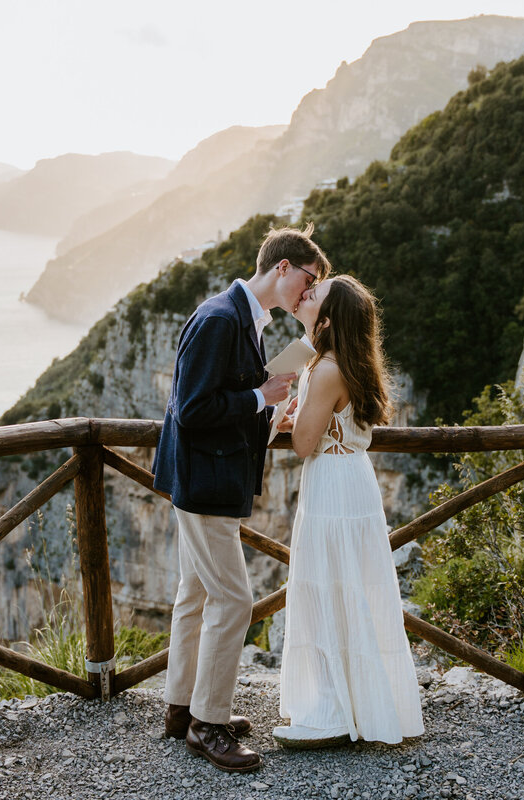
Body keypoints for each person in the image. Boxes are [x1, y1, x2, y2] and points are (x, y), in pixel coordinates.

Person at [152, 223, 331, 772]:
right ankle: (209, 724)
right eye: (308, 279)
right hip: (205, 483)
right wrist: (260, 393)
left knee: (195, 596)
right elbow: (193, 409)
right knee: (234, 600)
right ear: (282, 267)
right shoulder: (220, 318)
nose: (308, 292)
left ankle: (181, 709)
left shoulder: (244, 319)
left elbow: (232, 401)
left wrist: (273, 410)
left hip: (208, 477)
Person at [273, 274, 424, 748]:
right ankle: (365, 702)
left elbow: (301, 444)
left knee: (323, 590)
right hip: (356, 481)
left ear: (329, 318)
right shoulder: (354, 364)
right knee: (356, 588)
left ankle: (331, 709)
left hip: (330, 488)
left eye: (313, 295)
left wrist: (284, 409)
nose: (305, 295)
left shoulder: (323, 368)